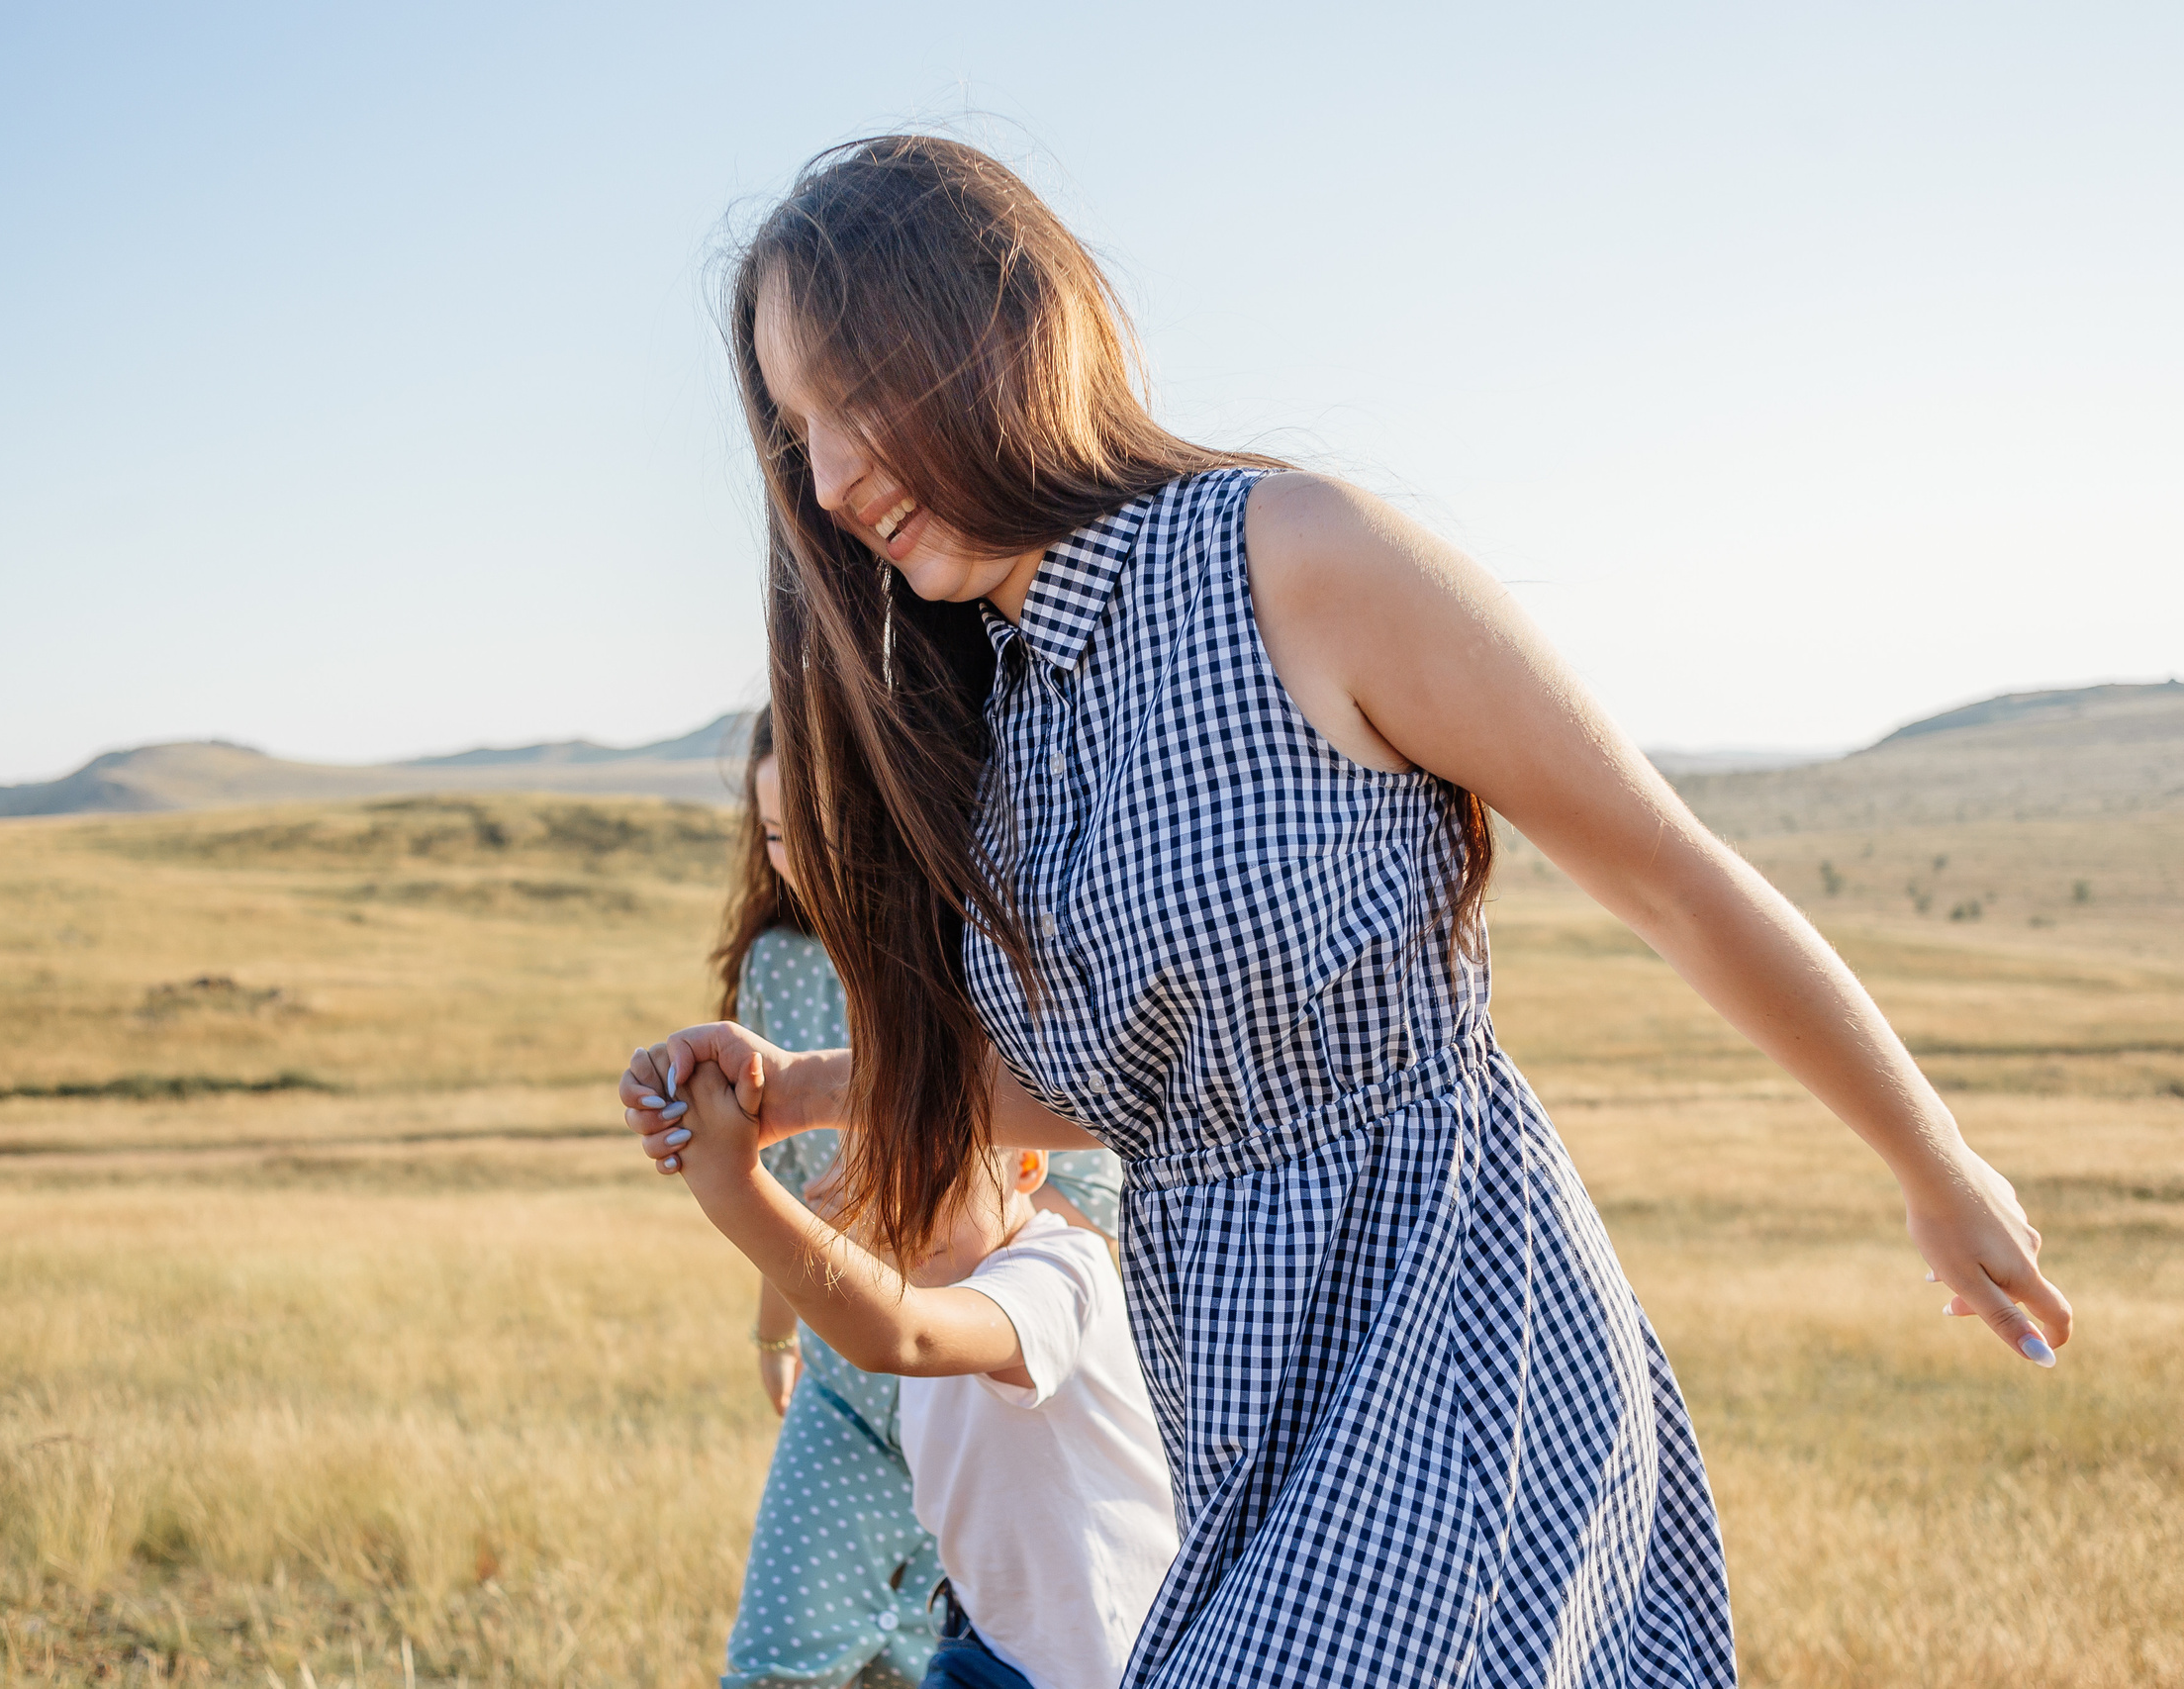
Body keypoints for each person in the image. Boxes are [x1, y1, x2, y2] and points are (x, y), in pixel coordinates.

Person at [627, 136, 2070, 1687]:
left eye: (857, 395)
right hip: (1239, 1404)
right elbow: (1138, 1080)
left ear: (998, 325)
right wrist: (807, 1092)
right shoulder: (997, 729)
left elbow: (1667, 868)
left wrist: (1934, 1156)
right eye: (797, 431)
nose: (832, 479)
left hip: (1453, 1328)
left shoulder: (1292, 558)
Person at [713, 707, 1127, 1689]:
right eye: (773, 838)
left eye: (816, 834)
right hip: (847, 1387)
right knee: (780, 1663)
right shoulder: (780, 964)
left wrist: (950, 1277)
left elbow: (1088, 1207)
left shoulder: (996, 959)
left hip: (998, 1388)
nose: (797, 867)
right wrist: (779, 1331)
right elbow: (788, 1186)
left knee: (955, 1646)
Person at [656, 1047, 1179, 1689]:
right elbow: (821, 1256)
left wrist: (732, 1183)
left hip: (1106, 1663)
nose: (910, 1191)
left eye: (945, 1159)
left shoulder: (1060, 1271)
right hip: (987, 1650)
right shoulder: (921, 1279)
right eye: (881, 1163)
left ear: (1028, 1164)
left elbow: (906, 1335)